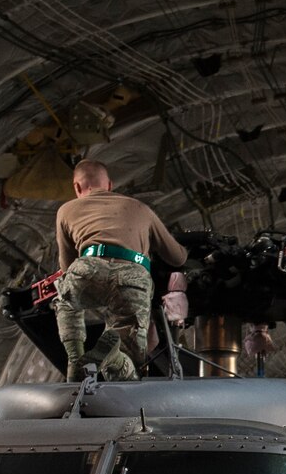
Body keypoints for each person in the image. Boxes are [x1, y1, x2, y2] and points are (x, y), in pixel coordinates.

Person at [52, 159, 190, 381]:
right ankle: (115, 358)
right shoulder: (139, 208)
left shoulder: (66, 210)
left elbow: (66, 267)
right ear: (109, 185)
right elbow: (176, 257)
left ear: (77, 187)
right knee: (130, 365)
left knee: (66, 299)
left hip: (88, 267)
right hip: (132, 277)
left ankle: (76, 361)